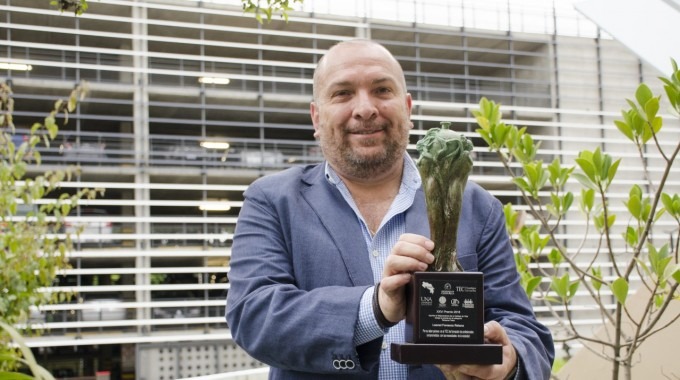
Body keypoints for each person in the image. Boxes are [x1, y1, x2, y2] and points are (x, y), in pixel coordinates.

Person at [226, 39, 554, 379]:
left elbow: (524, 329)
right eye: (343, 93)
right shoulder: (272, 200)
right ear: (316, 116)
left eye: (382, 90)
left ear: (408, 108)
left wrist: (509, 361)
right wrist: (375, 308)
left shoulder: (477, 206)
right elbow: (254, 316)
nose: (365, 108)